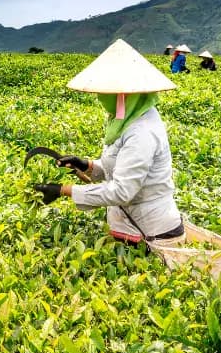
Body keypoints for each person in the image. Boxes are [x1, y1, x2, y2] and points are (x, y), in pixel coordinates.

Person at [32, 39, 185, 245]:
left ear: (122, 95)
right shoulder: (124, 119)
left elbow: (122, 190)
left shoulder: (142, 131)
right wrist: (86, 165)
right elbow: (118, 168)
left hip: (154, 233)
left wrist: (62, 190)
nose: (101, 98)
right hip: (129, 227)